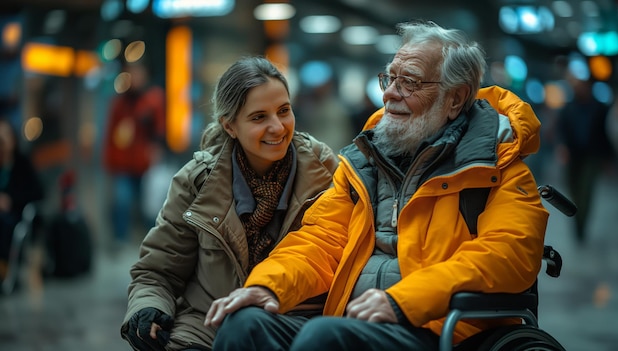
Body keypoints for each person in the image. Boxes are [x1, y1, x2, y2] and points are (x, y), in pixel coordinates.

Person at [205, 20, 549, 351]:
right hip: (351, 321)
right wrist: (270, 285)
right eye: (390, 78)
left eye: (409, 82)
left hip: (438, 329)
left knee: (325, 338)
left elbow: (507, 255)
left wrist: (403, 302)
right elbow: (321, 240)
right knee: (244, 325)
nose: (390, 94)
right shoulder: (364, 162)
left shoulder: (498, 169)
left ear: (455, 99)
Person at [120, 56, 339, 351]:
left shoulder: (324, 172)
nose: (277, 127)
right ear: (230, 125)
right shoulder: (197, 182)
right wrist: (147, 308)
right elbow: (158, 270)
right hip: (208, 324)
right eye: (259, 117)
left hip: (295, 324)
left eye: (284, 111)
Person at [103, 60, 166, 248]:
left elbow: (159, 129)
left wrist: (156, 151)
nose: (134, 78)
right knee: (122, 200)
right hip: (123, 162)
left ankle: (151, 238)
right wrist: (110, 160)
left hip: (145, 163)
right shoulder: (120, 103)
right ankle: (120, 238)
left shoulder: (152, 99)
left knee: (148, 203)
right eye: (131, 74)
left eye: (137, 73)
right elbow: (113, 133)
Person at [555, 73, 614, 243]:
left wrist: (608, 158)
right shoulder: (568, 107)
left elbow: (604, 133)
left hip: (592, 155)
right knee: (573, 191)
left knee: (586, 191)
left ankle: (581, 225)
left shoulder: (599, 108)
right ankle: (577, 222)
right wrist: (562, 147)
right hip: (573, 155)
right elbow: (562, 129)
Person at [0, 118, 45, 282]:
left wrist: (10, 200)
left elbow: (38, 192)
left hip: (14, 215)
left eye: (4, 137)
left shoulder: (22, 164)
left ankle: (5, 270)